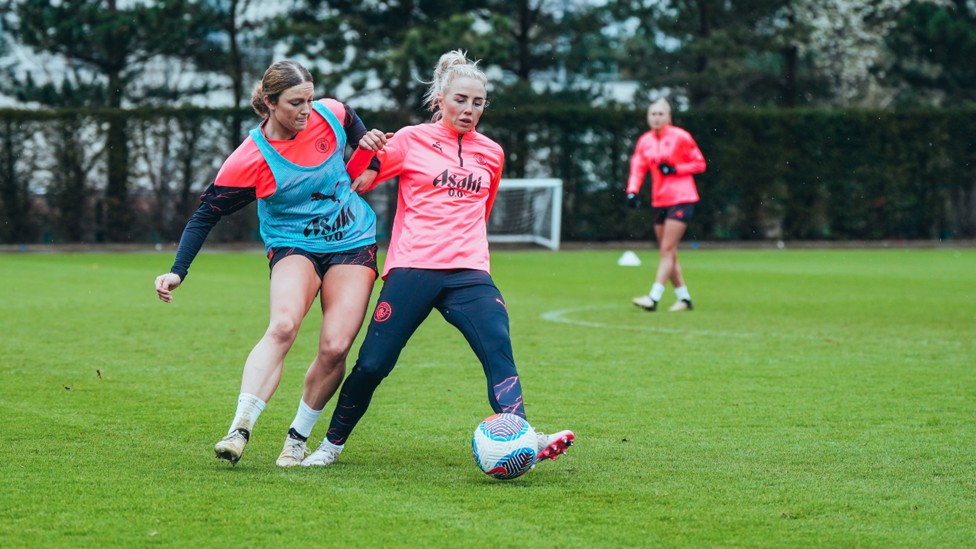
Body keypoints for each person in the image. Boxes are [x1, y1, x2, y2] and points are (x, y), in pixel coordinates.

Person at [300, 50, 575, 468]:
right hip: (413, 268)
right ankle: (330, 446)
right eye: (461, 100)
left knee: (499, 349)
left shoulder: (492, 153)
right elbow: (359, 178)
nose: (469, 109)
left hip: (468, 272)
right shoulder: (411, 140)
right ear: (441, 100)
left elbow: (481, 211)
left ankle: (523, 438)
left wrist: (470, 252)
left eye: (478, 102)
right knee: (373, 365)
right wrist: (366, 149)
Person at [154, 60, 388, 467]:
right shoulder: (249, 159)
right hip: (293, 245)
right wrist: (178, 270)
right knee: (282, 326)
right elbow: (205, 214)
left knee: (335, 347)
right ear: (269, 103)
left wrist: (367, 153)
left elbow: (351, 120)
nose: (307, 111)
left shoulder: (328, 114)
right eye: (296, 102)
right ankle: (240, 427)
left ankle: (297, 438)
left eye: (310, 100)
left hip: (353, 241)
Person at [626, 97, 707, 312]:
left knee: (667, 249)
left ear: (668, 117)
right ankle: (684, 298)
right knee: (668, 252)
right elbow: (638, 167)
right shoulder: (645, 141)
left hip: (682, 197)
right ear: (647, 117)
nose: (656, 118)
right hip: (660, 200)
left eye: (660, 114)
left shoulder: (681, 137)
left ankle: (654, 297)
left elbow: (700, 163)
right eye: (653, 114)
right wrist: (632, 191)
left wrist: (676, 169)